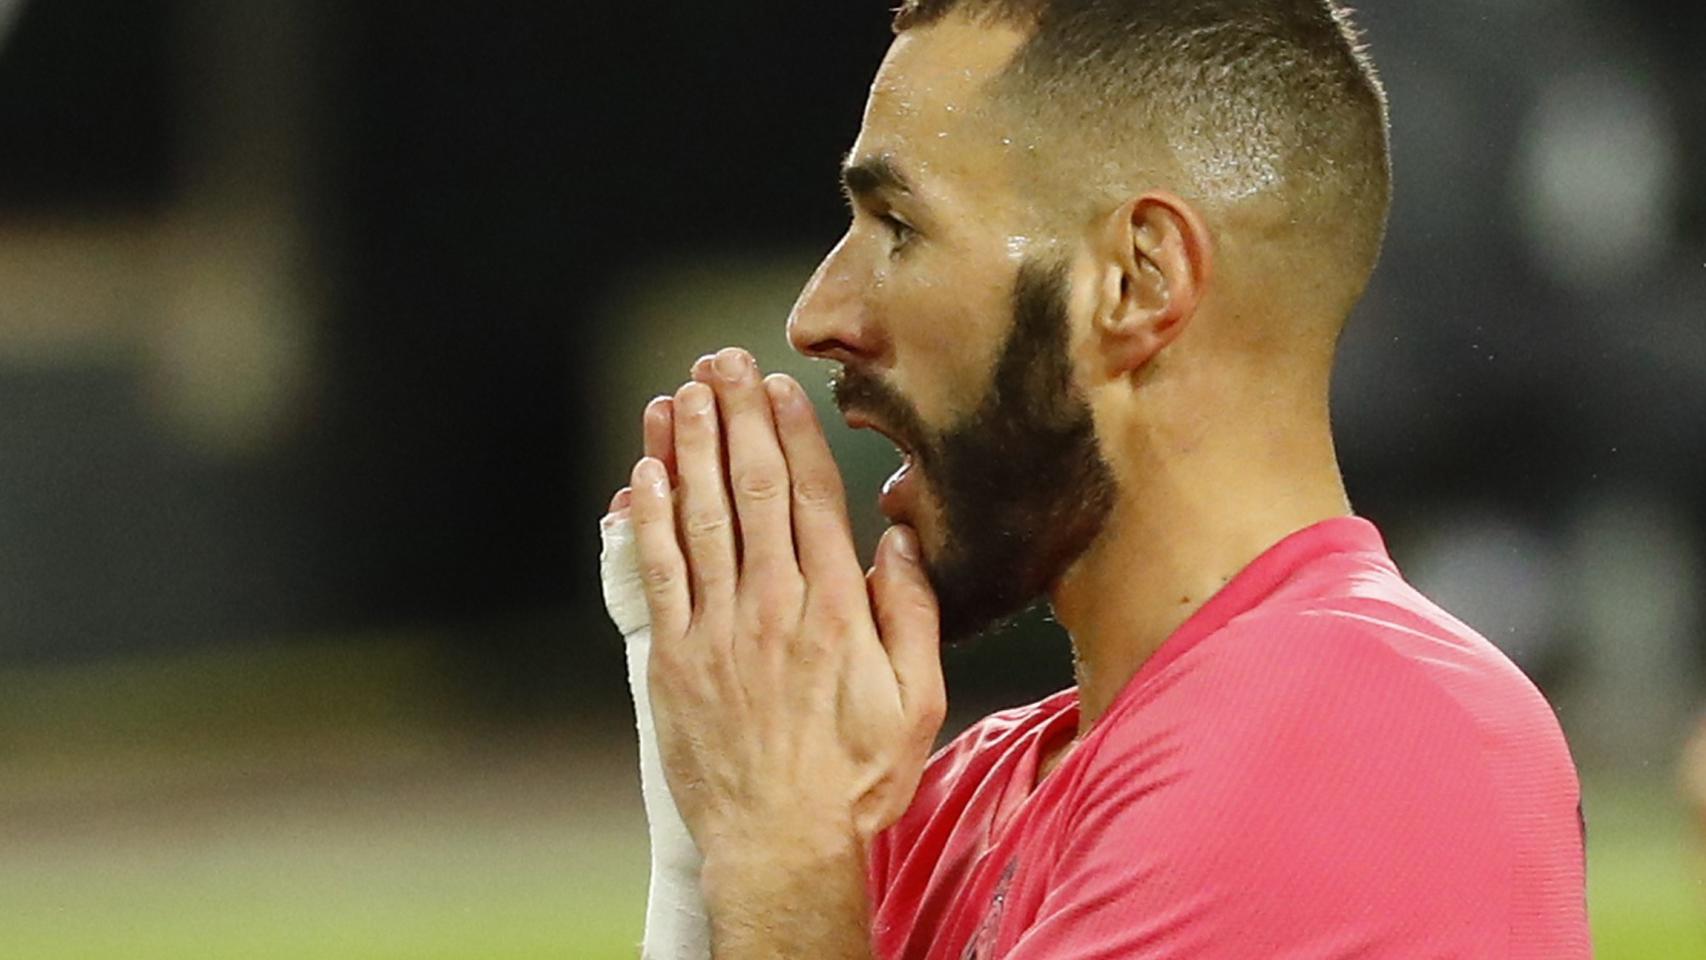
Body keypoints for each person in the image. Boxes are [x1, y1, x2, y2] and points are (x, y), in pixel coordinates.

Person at [604, 1, 1592, 956]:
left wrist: (781, 862)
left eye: (898, 227)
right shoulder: (964, 799)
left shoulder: (1370, 736)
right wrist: (717, 836)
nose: (819, 313)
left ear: (1133, 283)